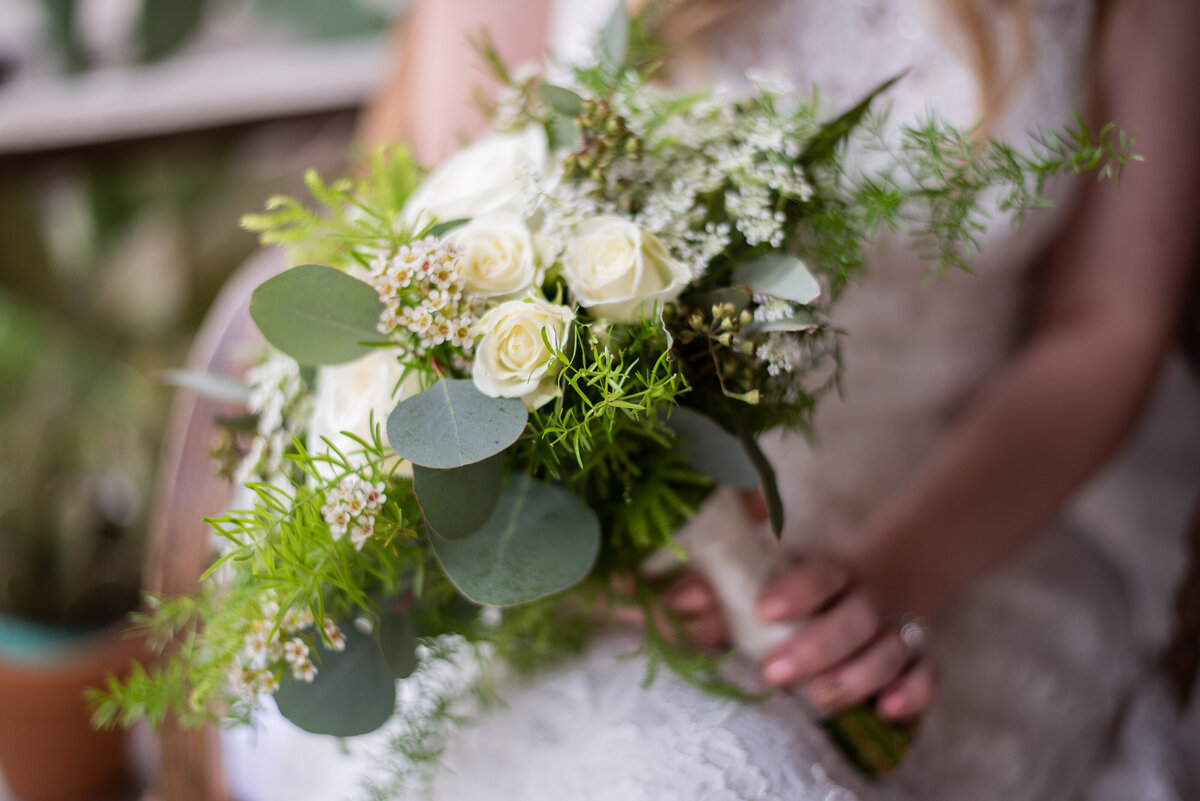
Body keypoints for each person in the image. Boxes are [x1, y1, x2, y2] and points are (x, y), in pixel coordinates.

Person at [222, 0, 1200, 799]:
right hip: (587, 567)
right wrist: (555, 555)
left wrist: (889, 584)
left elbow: (1105, 325)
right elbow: (428, 261)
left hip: (956, 538)